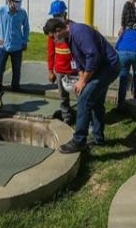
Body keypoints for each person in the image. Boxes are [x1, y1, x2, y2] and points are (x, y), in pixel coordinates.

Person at [43, 18, 120, 154]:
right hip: (98, 68)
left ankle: (79, 140)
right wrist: (80, 75)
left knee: (84, 99)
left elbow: (93, 56)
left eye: (52, 37)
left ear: (58, 30)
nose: (53, 41)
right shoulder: (68, 37)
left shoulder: (79, 32)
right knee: (95, 101)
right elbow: (77, 58)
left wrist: (84, 80)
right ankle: (98, 138)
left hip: (108, 67)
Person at [0, 0, 30, 103]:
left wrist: (25, 41)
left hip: (17, 47)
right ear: (9, 0)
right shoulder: (1, 11)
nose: (18, 3)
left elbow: (26, 27)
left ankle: (15, 88)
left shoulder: (22, 13)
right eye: (16, 1)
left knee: (17, 70)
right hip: (3, 48)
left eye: (19, 1)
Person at [45, 0, 75, 125]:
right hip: (60, 70)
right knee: (63, 97)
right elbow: (51, 53)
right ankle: (66, 117)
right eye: (54, 16)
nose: (57, 18)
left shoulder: (71, 28)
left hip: (73, 70)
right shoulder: (52, 32)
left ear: (64, 14)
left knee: (81, 94)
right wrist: (50, 70)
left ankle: (84, 116)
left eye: (59, 15)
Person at [115, 21, 136, 112]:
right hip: (135, 53)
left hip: (122, 53)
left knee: (123, 79)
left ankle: (120, 104)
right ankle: (135, 93)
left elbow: (117, 45)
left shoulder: (126, 32)